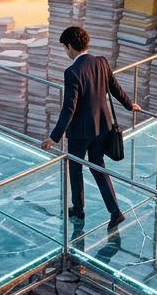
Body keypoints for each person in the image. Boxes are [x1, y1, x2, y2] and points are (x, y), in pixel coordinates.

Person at [41, 26, 141, 229]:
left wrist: (54, 137)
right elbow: (115, 88)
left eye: (65, 48)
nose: (65, 52)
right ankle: (115, 211)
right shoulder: (101, 62)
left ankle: (78, 210)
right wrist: (130, 105)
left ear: (70, 47)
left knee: (75, 169)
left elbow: (69, 108)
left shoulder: (72, 72)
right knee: (98, 167)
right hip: (102, 127)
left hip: (79, 133)